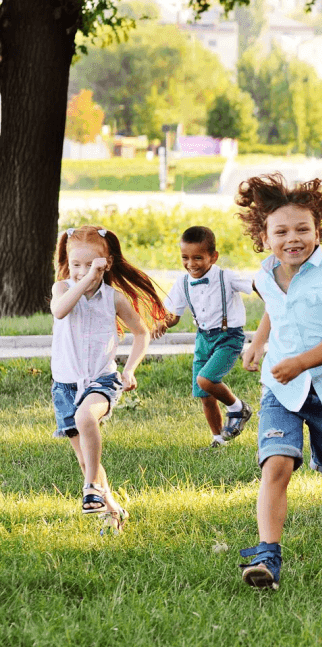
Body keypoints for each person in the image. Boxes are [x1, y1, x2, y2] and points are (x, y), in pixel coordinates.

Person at [236, 173, 322, 590]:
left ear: (318, 231)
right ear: (264, 235)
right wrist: (258, 342)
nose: (293, 238)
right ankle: (267, 554)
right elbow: (277, 307)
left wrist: (298, 363)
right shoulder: (266, 273)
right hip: (280, 389)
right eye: (282, 231)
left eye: (303, 229)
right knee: (276, 466)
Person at [50, 226, 166, 534]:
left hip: (101, 380)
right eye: (75, 264)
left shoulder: (113, 298)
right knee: (83, 458)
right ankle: (112, 510)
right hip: (65, 385)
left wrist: (129, 370)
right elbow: (60, 311)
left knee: (86, 416)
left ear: (107, 264)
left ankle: (90, 486)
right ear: (68, 263)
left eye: (90, 265)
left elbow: (141, 333)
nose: (81, 271)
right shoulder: (62, 289)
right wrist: (86, 278)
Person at [156, 226, 253, 448]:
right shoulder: (182, 282)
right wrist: (162, 323)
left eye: (198, 257)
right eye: (185, 257)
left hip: (228, 337)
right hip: (203, 339)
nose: (191, 264)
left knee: (206, 379)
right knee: (204, 394)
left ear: (213, 256)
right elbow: (173, 315)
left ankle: (238, 408)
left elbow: (253, 286)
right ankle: (219, 438)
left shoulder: (225, 277)